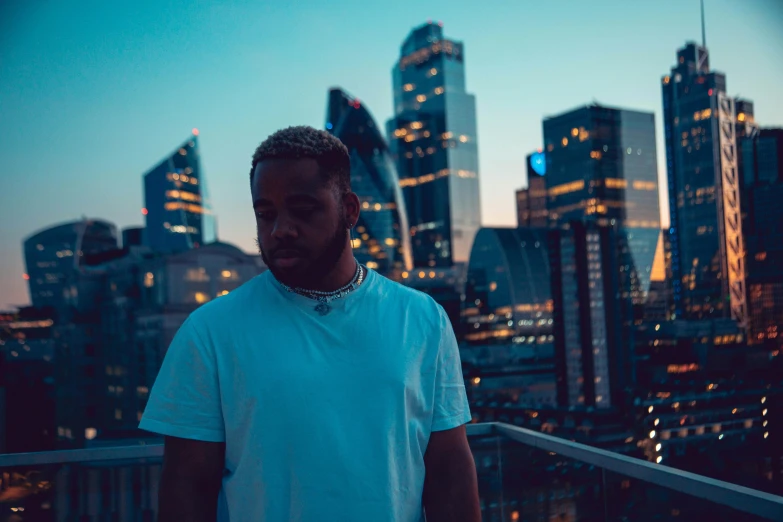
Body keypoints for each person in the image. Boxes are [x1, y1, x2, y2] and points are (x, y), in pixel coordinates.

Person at [139, 126, 480, 522]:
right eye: (265, 213)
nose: (280, 229)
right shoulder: (209, 332)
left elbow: (450, 471)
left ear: (350, 210)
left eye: (303, 210)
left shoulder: (423, 318)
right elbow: (187, 485)